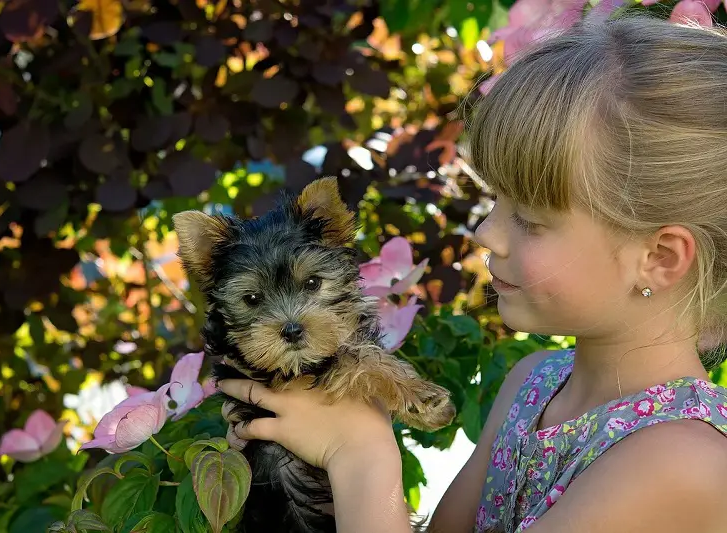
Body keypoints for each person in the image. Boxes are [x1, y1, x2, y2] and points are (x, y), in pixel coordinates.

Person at [217, 13, 727, 532]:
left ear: (659, 258)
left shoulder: (680, 462)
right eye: (495, 202)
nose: (486, 232)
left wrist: (360, 455)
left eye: (529, 219)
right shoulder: (537, 383)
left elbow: (365, 466)